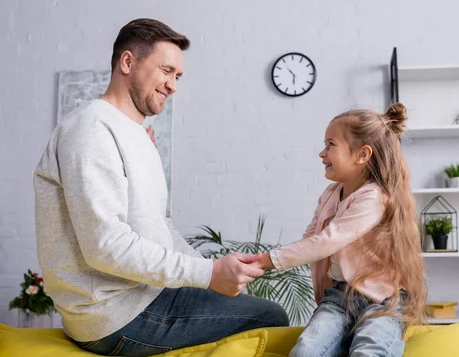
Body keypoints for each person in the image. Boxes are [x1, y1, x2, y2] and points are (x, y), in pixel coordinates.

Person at [33, 18, 289, 356]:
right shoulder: (91, 130)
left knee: (248, 305)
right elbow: (105, 246)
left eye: (178, 76)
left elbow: (161, 225)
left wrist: (214, 275)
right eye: (166, 71)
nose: (173, 86)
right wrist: (208, 273)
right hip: (112, 317)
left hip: (145, 296)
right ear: (128, 62)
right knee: (271, 315)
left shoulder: (136, 134)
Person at [254, 103, 427, 356]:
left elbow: (327, 240)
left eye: (330, 145)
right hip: (339, 296)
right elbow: (311, 239)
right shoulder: (330, 194)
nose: (322, 153)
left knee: (369, 351)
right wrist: (261, 263)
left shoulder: (374, 198)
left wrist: (267, 261)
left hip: (383, 299)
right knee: (305, 351)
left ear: (362, 154)